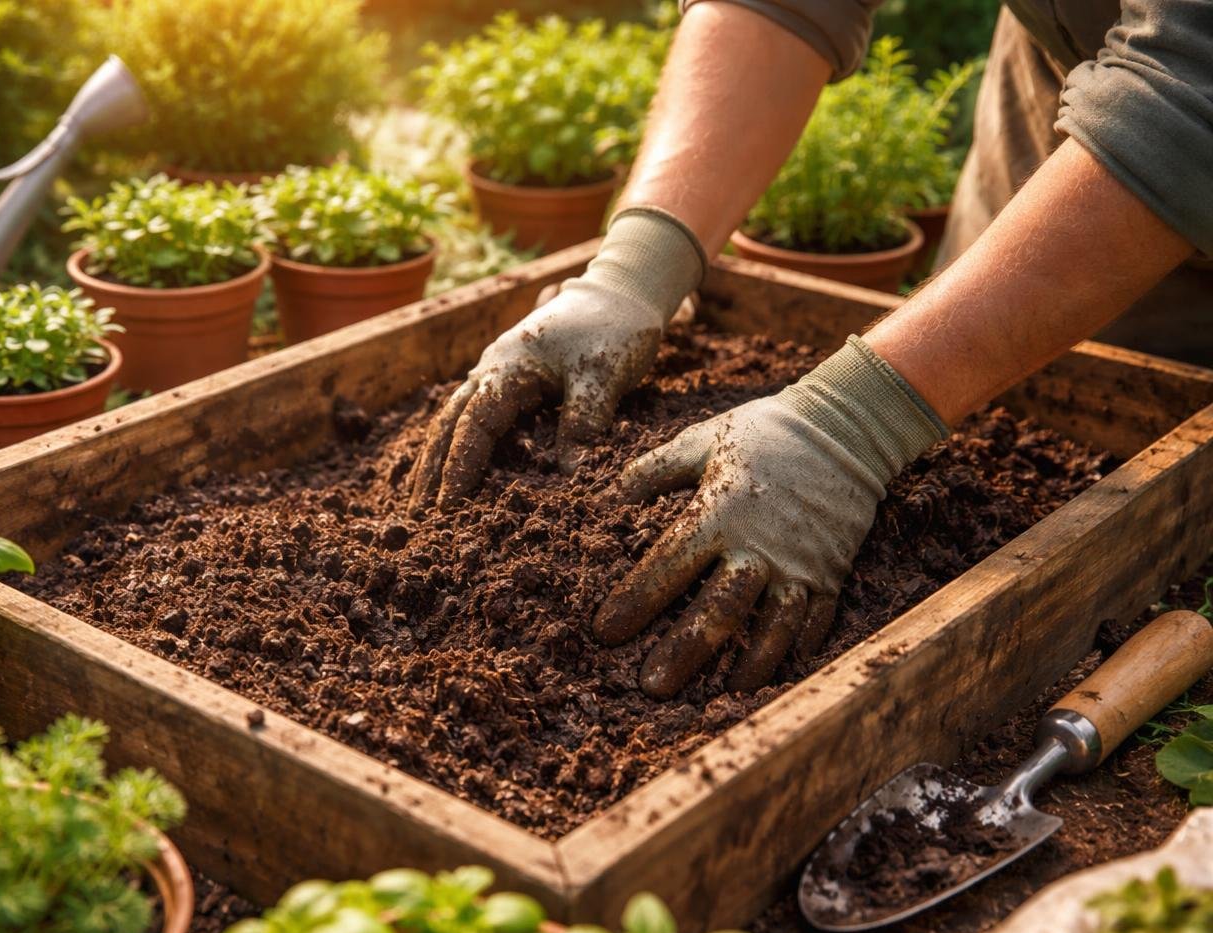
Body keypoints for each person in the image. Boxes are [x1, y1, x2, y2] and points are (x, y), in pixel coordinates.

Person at [406, 0, 1213, 698]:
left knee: (1145, 471)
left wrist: (853, 422)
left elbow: (1190, 89)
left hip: (1175, 139)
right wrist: (633, 272)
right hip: (1073, 95)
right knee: (996, 372)